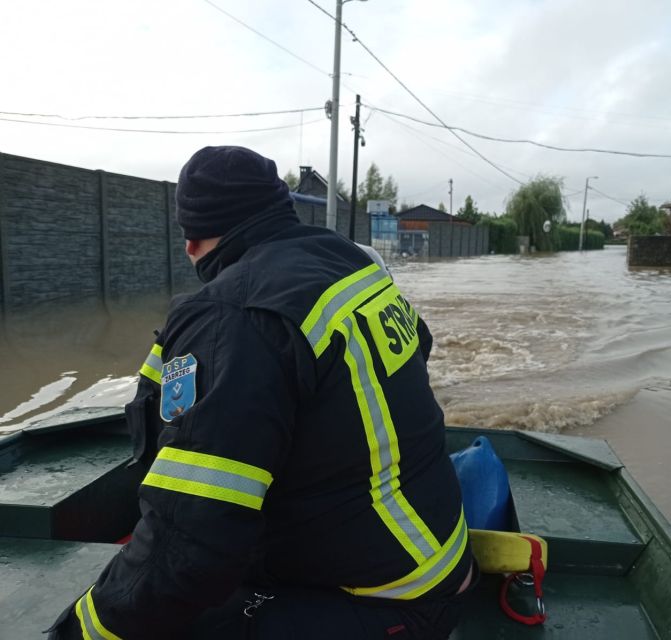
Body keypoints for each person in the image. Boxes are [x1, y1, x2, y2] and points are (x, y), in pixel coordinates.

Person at [49, 146, 475, 639]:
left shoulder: (235, 313)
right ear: (278, 208)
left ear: (191, 240)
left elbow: (190, 546)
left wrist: (83, 631)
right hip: (437, 559)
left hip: (387, 603)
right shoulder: (352, 265)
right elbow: (417, 348)